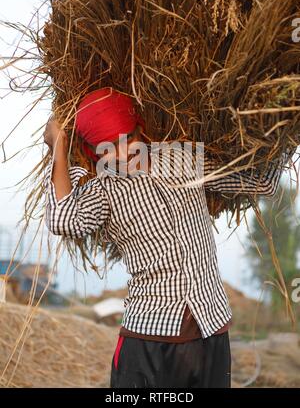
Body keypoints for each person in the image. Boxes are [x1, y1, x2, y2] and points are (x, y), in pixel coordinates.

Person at [43, 87, 289, 388]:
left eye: (128, 139)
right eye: (109, 148)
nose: (122, 155)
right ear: (97, 152)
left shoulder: (182, 158)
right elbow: (61, 220)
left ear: (140, 129)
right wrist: (58, 146)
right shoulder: (103, 191)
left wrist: (286, 126)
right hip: (149, 339)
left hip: (211, 327)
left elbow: (261, 182)